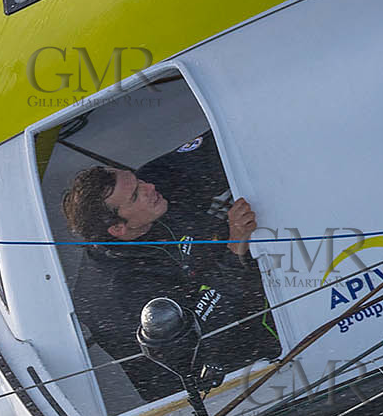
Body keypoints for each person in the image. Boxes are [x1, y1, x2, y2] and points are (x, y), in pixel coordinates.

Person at [61, 131, 280, 401]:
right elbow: (205, 336)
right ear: (118, 228)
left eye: (137, 180)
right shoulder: (117, 292)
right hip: (224, 384)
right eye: (135, 196)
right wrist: (235, 248)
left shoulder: (154, 185)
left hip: (249, 283)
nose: (149, 187)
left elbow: (226, 142)